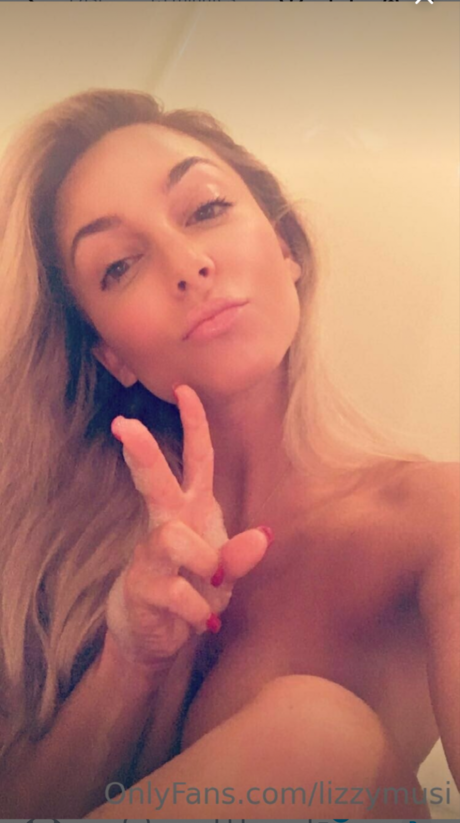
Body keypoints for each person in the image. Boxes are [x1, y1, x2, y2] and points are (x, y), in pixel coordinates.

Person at [0, 88, 458, 820]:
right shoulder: (52, 568)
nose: (187, 265)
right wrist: (132, 656)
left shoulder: (437, 518)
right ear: (110, 354)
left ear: (286, 247)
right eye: (119, 265)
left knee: (318, 738)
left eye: (206, 209)